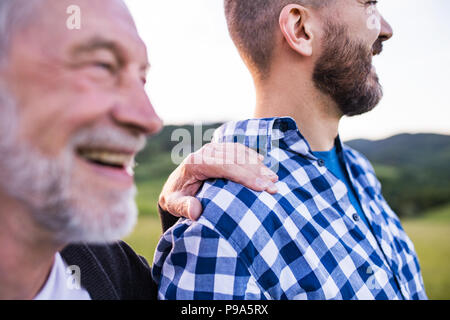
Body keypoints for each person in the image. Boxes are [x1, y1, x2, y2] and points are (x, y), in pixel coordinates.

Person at [0, 0, 276, 300]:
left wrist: (179, 217)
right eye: (102, 66)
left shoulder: (106, 266)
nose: (149, 119)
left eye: (141, 79)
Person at [153, 0, 428, 300]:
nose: (386, 30)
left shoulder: (361, 172)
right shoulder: (224, 222)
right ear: (300, 29)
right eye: (369, 4)